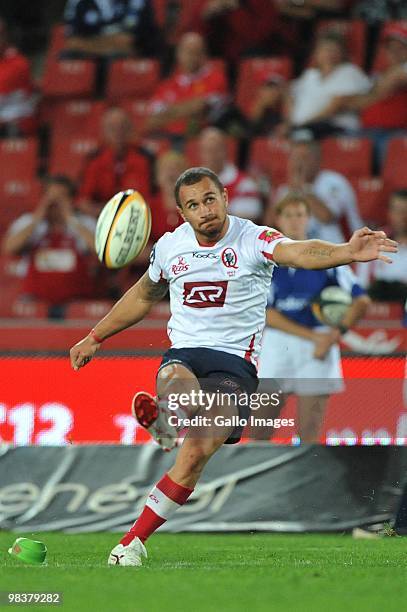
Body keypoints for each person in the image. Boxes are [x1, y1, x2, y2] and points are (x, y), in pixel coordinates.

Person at [69, 165, 397, 566]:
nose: (204, 210)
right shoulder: (171, 248)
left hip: (235, 367)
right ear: (182, 212)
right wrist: (95, 336)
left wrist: (346, 252)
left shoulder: (253, 238)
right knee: (175, 380)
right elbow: (142, 296)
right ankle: (165, 433)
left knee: (193, 458)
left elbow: (299, 250)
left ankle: (139, 526)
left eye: (209, 199)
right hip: (186, 352)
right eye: (193, 205)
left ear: (224, 196)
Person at [257, 194, 370, 442]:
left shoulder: (329, 257)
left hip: (321, 344)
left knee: (309, 433)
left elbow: (361, 300)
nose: (295, 221)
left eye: (300, 214)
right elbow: (266, 314)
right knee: (260, 428)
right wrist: (315, 338)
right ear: (278, 220)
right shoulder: (266, 261)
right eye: (289, 215)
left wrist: (335, 333)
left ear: (308, 219)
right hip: (279, 345)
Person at [2, 175, 96, 310]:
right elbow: (9, 248)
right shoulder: (30, 222)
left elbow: (99, 249)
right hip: (35, 301)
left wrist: (70, 218)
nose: (56, 204)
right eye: (52, 198)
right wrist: (37, 218)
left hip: (75, 300)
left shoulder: (83, 223)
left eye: (61, 198)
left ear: (71, 199)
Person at [334, 22, 407, 164]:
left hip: (393, 133)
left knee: (390, 155)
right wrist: (369, 96)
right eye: (390, 47)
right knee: (332, 145)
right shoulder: (377, 75)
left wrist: (367, 97)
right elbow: (350, 103)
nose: (394, 51)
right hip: (365, 131)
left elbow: (392, 81)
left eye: (401, 47)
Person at [272, 131, 363, 243]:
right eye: (295, 158)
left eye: (304, 158)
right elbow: (271, 223)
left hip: (343, 250)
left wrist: (302, 188)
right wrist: (291, 189)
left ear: (318, 160)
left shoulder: (334, 182)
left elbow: (326, 217)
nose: (299, 163)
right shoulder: (286, 188)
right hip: (306, 254)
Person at [287, 31, 371, 137]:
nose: (329, 54)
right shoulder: (310, 74)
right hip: (305, 128)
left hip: (337, 128)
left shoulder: (349, 72)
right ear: (316, 53)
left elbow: (334, 107)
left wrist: (300, 125)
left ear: (342, 53)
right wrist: (289, 123)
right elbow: (288, 92)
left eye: (334, 50)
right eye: (325, 49)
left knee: (301, 137)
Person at [147, 32, 228, 139]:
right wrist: (189, 109)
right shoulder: (168, 84)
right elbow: (152, 120)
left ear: (204, 55)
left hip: (198, 139)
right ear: (178, 54)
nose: (192, 57)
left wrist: (168, 112)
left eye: (196, 52)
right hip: (167, 138)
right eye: (188, 52)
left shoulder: (216, 78)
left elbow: (201, 108)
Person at [78, 107, 153, 217]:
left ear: (130, 129)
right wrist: (109, 214)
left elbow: (150, 199)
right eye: (112, 128)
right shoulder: (94, 159)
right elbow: (83, 201)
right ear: (103, 131)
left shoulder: (145, 158)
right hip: (99, 217)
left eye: (122, 127)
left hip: (136, 216)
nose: (118, 132)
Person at [197, 127, 262, 221]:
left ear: (225, 150)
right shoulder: (191, 181)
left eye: (216, 149)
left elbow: (249, 215)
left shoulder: (243, 183)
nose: (211, 155)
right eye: (207, 150)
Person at [356, 189, 407, 303]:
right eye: (398, 210)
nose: (403, 217)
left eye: (406, 211)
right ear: (390, 213)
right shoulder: (373, 242)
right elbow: (361, 285)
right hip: (376, 306)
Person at [63, 0, 159, 58]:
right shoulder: (78, 2)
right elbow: (73, 42)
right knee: (67, 56)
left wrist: (89, 42)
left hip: (128, 61)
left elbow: (128, 42)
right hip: (88, 60)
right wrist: (110, 45)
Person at [0, 17, 37, 137]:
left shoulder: (18, 63)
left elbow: (3, 85)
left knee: (11, 129)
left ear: (5, 37)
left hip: (16, 118)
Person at [150, 150, 188, 242]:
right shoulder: (147, 208)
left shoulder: (197, 208)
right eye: (165, 169)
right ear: (157, 177)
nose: (171, 173)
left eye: (177, 168)